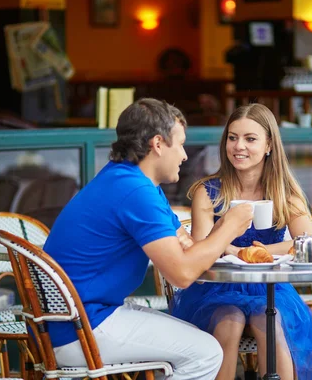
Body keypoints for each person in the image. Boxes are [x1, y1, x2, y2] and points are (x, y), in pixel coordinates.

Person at [43, 98, 253, 380]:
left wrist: (228, 244)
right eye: (179, 144)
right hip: (82, 328)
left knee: (197, 340)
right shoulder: (135, 191)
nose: (184, 155)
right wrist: (228, 225)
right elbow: (182, 273)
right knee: (206, 352)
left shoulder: (131, 181)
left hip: (82, 317)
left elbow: (186, 246)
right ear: (157, 144)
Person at [171, 103, 312, 380]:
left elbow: (305, 242)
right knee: (229, 322)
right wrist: (238, 249)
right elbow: (200, 246)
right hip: (215, 290)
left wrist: (252, 251)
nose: (238, 146)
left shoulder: (285, 193)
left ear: (269, 145)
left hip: (271, 290)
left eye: (250, 138)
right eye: (232, 137)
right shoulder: (208, 192)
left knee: (269, 319)